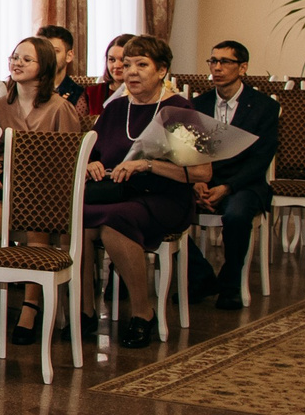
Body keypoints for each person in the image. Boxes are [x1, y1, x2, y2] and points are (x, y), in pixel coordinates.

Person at [80, 34, 208, 351]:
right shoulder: (116, 108)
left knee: (113, 223)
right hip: (117, 193)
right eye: (126, 65)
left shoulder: (180, 109)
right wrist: (90, 165)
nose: (131, 72)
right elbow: (91, 153)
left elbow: (201, 173)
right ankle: (83, 311)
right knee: (78, 222)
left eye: (142, 65)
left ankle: (142, 312)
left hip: (165, 198)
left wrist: (147, 165)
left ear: (162, 70)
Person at [0, 36, 87, 344]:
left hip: (46, 195)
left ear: (43, 67)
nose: (16, 63)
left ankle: (31, 305)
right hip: (6, 191)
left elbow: (68, 164)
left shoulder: (61, 108)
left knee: (37, 222)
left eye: (26, 59)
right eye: (14, 57)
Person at [186, 41, 278, 311]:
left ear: (243, 68)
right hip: (204, 181)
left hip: (243, 184)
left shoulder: (264, 107)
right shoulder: (198, 104)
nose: (217, 67)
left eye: (225, 62)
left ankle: (230, 283)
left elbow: (262, 157)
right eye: (213, 61)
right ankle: (200, 275)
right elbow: (189, 150)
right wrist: (197, 182)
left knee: (237, 215)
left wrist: (227, 187)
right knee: (163, 207)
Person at [83, 34, 134, 117]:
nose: (116, 65)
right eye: (112, 60)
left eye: (123, 60)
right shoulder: (91, 93)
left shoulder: (143, 94)